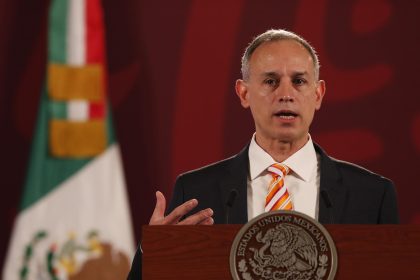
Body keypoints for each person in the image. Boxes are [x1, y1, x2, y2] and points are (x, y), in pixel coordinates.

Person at [127, 29, 399, 279]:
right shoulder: (197, 191)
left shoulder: (372, 195)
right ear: (243, 93)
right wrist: (152, 253)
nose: (285, 94)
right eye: (271, 81)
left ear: (318, 94)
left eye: (299, 81)